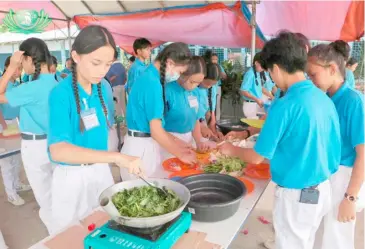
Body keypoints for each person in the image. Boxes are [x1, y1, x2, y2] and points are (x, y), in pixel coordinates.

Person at [219, 31, 341, 249]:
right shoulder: (323, 98)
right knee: (305, 242)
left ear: (275, 68)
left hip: (297, 195)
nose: (271, 78)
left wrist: (230, 149)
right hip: (322, 189)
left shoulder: (286, 105)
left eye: (270, 73)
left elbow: (256, 157)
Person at [48, 25, 142, 232]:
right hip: (72, 178)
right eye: (96, 63)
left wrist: (110, 158)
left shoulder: (103, 87)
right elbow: (58, 150)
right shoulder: (60, 94)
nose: (102, 70)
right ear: (76, 56)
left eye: (108, 64)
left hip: (100, 171)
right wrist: (116, 157)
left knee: (104, 229)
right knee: (72, 236)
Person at [307, 41, 364, 249]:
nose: (310, 80)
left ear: (332, 69)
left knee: (336, 237)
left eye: (313, 74)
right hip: (326, 173)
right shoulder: (326, 98)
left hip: (344, 177)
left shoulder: (354, 101)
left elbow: (363, 154)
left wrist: (350, 197)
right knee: (321, 232)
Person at [0, 38, 58, 234]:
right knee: (58, 192)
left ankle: (58, 237)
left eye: (22, 61)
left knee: (46, 199)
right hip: (56, 143)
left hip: (35, 147)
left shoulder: (32, 88)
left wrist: (9, 69)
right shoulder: (56, 81)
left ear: (27, 59)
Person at [122, 42, 196, 181]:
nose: (177, 76)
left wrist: (177, 143)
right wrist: (181, 154)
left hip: (142, 144)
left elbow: (157, 128)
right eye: (179, 72)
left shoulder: (150, 76)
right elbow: (155, 131)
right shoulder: (152, 83)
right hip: (141, 149)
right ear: (169, 63)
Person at [161, 56, 216, 160]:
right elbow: (156, 125)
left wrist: (199, 140)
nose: (193, 86)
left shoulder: (196, 92)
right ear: (182, 73)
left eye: (198, 83)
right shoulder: (167, 91)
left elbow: (194, 119)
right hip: (169, 140)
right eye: (192, 81)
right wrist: (175, 142)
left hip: (189, 139)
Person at [0, 56, 31, 206]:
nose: (18, 71)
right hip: (4, 124)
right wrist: (4, 126)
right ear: (7, 67)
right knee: (6, 160)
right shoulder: (3, 83)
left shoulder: (17, 85)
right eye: (15, 68)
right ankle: (11, 194)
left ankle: (17, 183)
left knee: (17, 156)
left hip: (15, 123)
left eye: (20, 68)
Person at [197, 62, 223, 141]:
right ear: (202, 76)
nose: (208, 86)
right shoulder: (192, 89)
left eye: (212, 84)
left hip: (202, 122)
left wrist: (215, 131)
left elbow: (210, 114)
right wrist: (201, 127)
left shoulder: (212, 88)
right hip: (192, 124)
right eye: (207, 83)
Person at [240, 52, 266, 119]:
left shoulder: (257, 73)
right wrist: (256, 99)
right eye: (262, 66)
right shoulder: (250, 74)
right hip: (250, 105)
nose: (263, 68)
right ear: (256, 63)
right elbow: (243, 91)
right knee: (253, 127)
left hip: (255, 104)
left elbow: (260, 88)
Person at [204, 51, 227, 121]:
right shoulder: (207, 66)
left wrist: (221, 74)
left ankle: (216, 119)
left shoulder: (219, 67)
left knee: (216, 103)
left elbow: (225, 77)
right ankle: (207, 118)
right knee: (207, 102)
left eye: (216, 59)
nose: (215, 60)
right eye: (213, 59)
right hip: (207, 88)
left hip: (217, 87)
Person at [105, 52, 127, 117]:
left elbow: (110, 78)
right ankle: (126, 121)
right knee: (123, 104)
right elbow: (125, 78)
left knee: (117, 105)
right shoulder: (122, 66)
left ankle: (119, 123)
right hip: (122, 87)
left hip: (114, 87)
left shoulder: (112, 67)